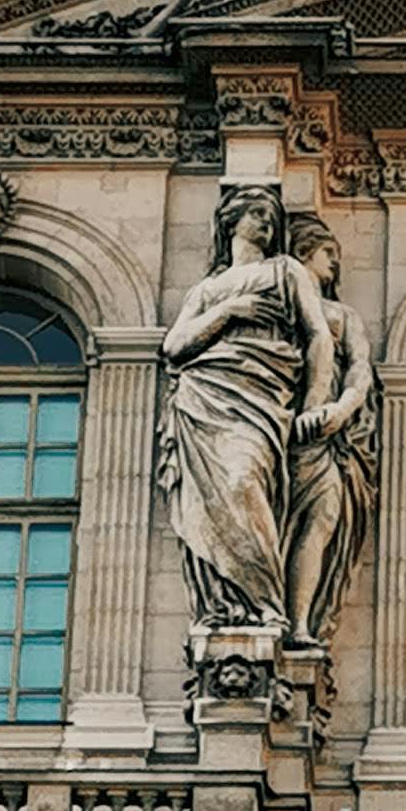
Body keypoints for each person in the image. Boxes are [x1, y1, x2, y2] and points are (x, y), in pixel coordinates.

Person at [157, 184, 334, 627]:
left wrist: (312, 404)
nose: (266, 222)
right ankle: (228, 608)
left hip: (262, 398)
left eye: (270, 215)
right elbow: (175, 346)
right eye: (256, 212)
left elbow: (318, 336)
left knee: (242, 482)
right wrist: (229, 311)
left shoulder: (287, 270)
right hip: (203, 397)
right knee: (208, 504)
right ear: (230, 222)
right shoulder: (208, 289)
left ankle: (261, 605)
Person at [282, 212, 379, 644]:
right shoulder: (276, 307)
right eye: (327, 254)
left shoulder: (341, 316)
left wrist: (340, 410)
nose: (334, 264)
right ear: (304, 252)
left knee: (320, 525)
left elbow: (360, 371)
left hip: (325, 436)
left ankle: (300, 622)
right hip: (279, 429)